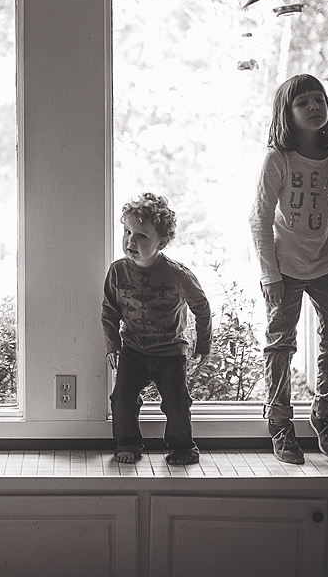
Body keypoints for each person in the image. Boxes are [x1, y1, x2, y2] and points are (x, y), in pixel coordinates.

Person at [249, 74, 328, 465]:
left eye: (319, 100)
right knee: (280, 344)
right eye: (303, 103)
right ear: (287, 113)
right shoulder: (278, 157)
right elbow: (259, 218)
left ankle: (325, 413)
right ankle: (279, 424)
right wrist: (269, 274)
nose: (314, 107)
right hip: (285, 268)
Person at [102, 193, 212, 465]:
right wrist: (112, 346)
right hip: (133, 351)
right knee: (122, 399)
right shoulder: (117, 272)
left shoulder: (177, 275)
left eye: (142, 236)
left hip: (170, 352)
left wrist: (203, 344)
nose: (131, 240)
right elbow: (109, 312)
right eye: (127, 232)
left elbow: (202, 307)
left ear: (161, 242)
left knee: (176, 403)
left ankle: (183, 447)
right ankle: (127, 443)